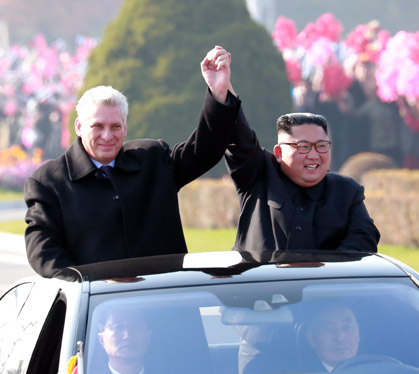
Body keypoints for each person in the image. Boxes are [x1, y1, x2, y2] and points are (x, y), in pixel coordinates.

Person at [24, 46, 240, 277]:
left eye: (115, 126)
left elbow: (204, 150)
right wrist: (81, 285)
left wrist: (219, 93)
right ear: (79, 127)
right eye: (97, 126)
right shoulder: (49, 182)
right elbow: (43, 251)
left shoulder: (153, 159)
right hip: (98, 308)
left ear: (125, 128)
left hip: (166, 300)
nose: (107, 136)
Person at [224, 105, 380, 253]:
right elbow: (239, 138)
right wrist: (222, 92)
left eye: (321, 146)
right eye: (303, 147)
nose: (313, 155)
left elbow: (365, 237)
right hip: (261, 280)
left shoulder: (346, 191)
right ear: (278, 152)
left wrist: (326, 269)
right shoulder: (258, 175)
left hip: (323, 280)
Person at [96, 308, 156, 374]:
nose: (127, 335)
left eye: (135, 327)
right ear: (102, 339)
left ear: (148, 336)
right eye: (118, 327)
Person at [304, 303, 360, 372]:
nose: (340, 338)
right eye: (329, 330)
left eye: (347, 327)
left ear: (358, 333)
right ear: (311, 339)